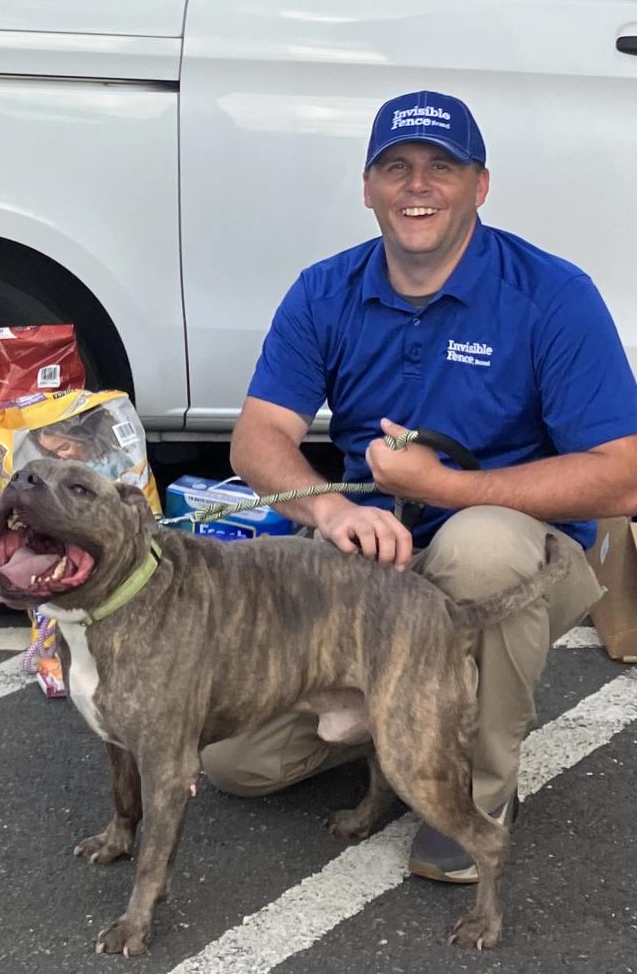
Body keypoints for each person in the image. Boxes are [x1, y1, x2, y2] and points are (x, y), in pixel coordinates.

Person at [206, 89, 637, 882]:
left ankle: (476, 794)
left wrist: (441, 484)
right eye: (396, 167)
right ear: (367, 186)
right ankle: (407, 726)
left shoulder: (551, 293)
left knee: (477, 548)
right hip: (375, 569)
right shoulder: (324, 290)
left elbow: (623, 476)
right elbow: (259, 435)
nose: (417, 186)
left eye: (443, 167)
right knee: (238, 764)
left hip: (517, 556)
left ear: (480, 184)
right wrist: (329, 508)